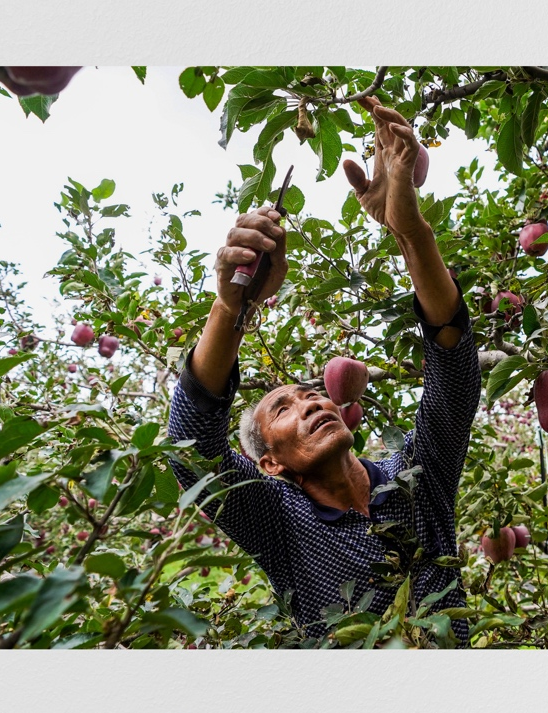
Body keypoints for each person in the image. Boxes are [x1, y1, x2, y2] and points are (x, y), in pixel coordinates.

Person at [166, 96, 481, 646]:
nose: (311, 402)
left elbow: (453, 373)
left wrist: (409, 231)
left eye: (311, 395)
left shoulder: (415, 478)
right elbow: (190, 446)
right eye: (282, 408)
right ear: (269, 462)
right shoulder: (277, 520)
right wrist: (232, 306)